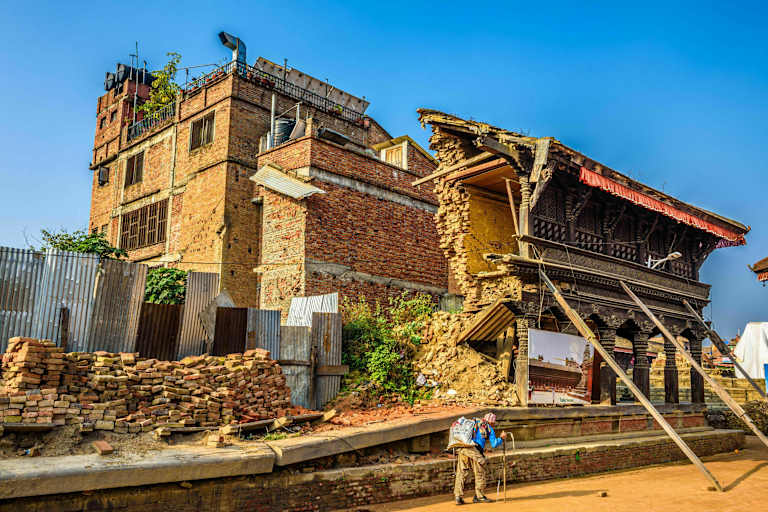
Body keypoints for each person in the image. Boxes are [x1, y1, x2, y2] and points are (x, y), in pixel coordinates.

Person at [454, 412, 507, 505]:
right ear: (491, 422)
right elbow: (494, 444)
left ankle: (458, 497)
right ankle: (479, 496)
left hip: (463, 449)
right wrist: (501, 438)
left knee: (461, 473)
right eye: (494, 422)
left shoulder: (474, 422)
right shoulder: (489, 428)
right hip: (474, 451)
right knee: (480, 473)